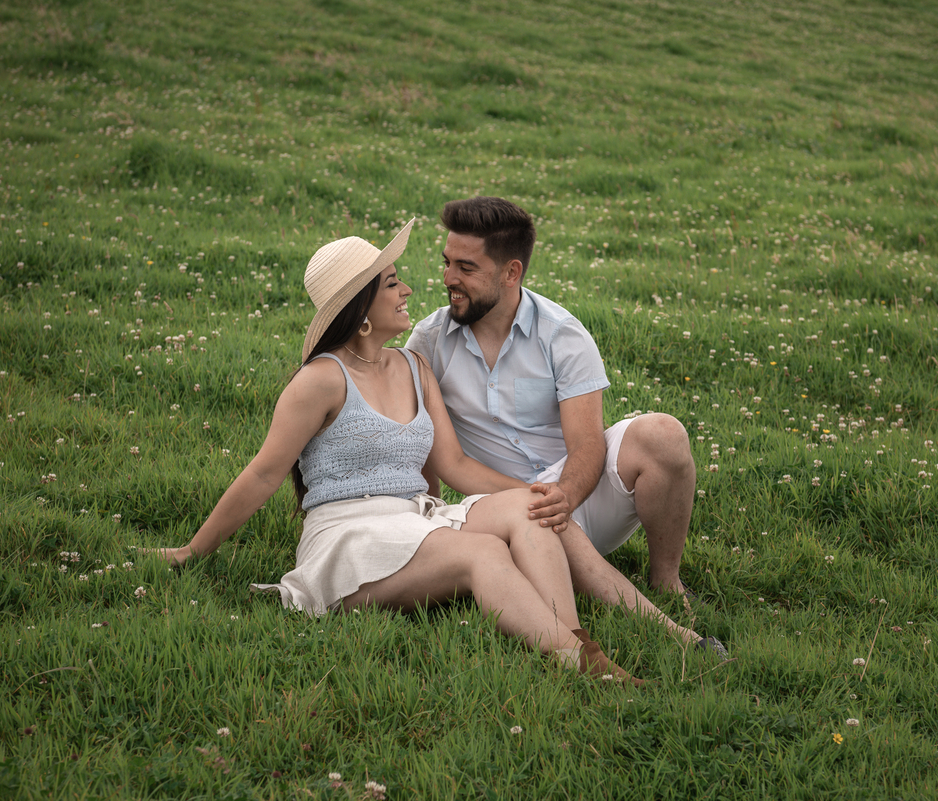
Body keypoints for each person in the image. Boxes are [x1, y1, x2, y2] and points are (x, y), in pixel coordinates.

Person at [153, 219, 642, 685]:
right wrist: (193, 550)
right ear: (360, 307)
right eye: (391, 283)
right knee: (485, 553)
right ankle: (588, 668)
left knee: (529, 510)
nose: (408, 290)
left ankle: (576, 641)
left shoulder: (413, 366)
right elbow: (263, 475)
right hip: (348, 538)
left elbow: (455, 466)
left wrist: (541, 495)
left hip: (415, 519)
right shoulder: (320, 381)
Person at [406, 197, 726, 657]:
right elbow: (426, 446)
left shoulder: (561, 334)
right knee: (535, 514)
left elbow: (587, 446)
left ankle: (666, 580)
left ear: (511, 272)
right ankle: (669, 639)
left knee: (663, 434)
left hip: (580, 495)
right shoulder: (430, 341)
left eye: (466, 268)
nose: (448, 279)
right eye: (447, 263)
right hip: (498, 509)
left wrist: (566, 498)